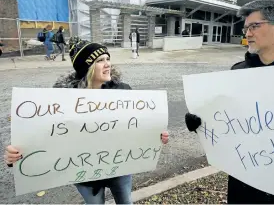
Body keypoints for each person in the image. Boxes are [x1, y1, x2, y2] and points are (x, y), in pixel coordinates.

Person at [4, 37, 169, 204]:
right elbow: (44, 137)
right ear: (87, 68)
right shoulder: (61, 100)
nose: (107, 64)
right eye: (100, 60)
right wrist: (16, 155)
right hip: (86, 177)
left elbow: (138, 125)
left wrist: (155, 135)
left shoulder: (123, 92)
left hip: (120, 169)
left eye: (108, 59)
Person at [185, 0, 274, 204]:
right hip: (245, 185)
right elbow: (229, 121)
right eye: (246, 28)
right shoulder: (238, 72)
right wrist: (202, 122)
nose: (248, 33)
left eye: (254, 26)